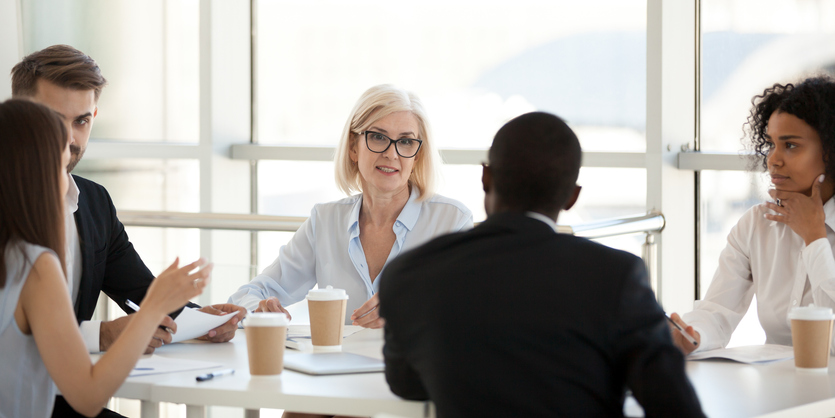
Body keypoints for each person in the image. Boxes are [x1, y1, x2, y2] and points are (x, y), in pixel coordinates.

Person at [379, 112, 705, 417]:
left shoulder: (410, 273)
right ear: (572, 197)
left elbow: (407, 384)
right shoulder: (615, 275)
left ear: (486, 176)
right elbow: (675, 406)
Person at [10, 44, 246, 417]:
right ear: (24, 118)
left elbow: (141, 291)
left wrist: (201, 322)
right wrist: (101, 334)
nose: (70, 139)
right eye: (55, 121)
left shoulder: (94, 202)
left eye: (82, 121)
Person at [229, 84, 473, 329]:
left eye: (406, 141)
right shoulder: (325, 221)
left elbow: (473, 313)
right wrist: (259, 309)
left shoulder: (452, 221)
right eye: (378, 137)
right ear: (353, 147)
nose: (392, 153)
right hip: (338, 366)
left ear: (417, 155)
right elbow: (250, 294)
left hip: (415, 366)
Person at [670, 76, 835, 354]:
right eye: (771, 144)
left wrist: (815, 237)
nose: (773, 159)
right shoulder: (757, 224)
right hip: (779, 389)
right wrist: (693, 335)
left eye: (790, 145)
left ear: (830, 151)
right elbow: (717, 311)